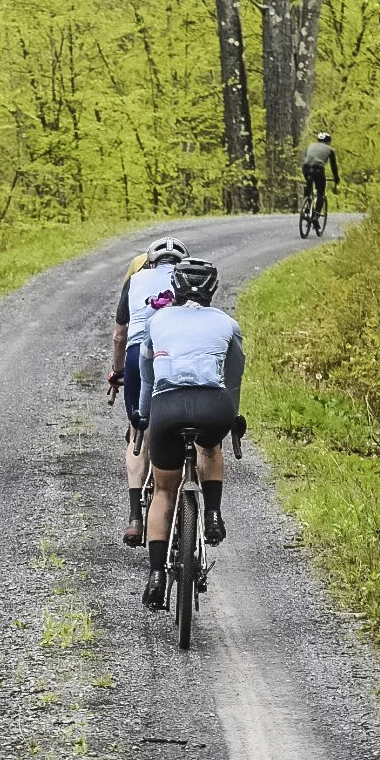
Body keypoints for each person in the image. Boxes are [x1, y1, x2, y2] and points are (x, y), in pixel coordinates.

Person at [134, 258, 246, 610]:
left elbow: (148, 374)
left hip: (167, 407)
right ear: (213, 289)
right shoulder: (227, 323)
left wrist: (144, 414)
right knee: (210, 448)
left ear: (176, 288)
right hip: (213, 406)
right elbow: (233, 376)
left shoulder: (158, 320)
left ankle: (155, 575)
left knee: (164, 491)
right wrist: (234, 414)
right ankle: (212, 513)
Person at [108, 236, 189, 548]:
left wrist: (117, 372)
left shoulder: (136, 280)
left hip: (137, 354)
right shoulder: (190, 280)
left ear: (150, 262)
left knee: (138, 428)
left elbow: (119, 335)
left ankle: (135, 518)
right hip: (176, 355)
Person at [302, 130, 340, 210]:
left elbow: (307, 157)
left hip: (306, 167)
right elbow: (333, 166)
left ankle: (306, 205)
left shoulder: (311, 145)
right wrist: (336, 178)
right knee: (320, 192)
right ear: (328, 141)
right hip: (318, 169)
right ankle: (316, 215)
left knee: (309, 185)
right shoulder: (330, 149)